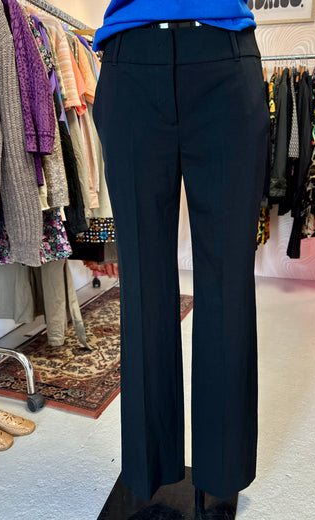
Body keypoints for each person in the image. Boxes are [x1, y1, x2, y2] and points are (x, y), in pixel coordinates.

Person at [93, 0, 269, 502]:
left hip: (224, 56)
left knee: (227, 282)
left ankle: (221, 475)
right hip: (129, 62)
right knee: (142, 284)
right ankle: (150, 466)